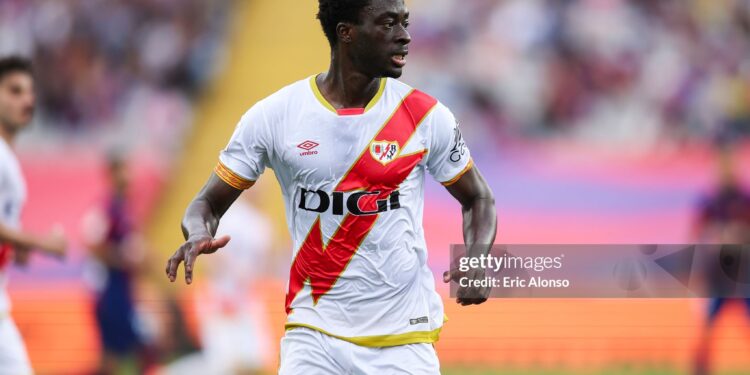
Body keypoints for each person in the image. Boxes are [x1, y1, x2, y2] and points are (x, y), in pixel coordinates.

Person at [165, 0, 497, 373]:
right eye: (388, 24)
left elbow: (478, 196)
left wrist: (477, 258)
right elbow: (206, 204)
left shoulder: (426, 116)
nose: (404, 37)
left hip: (402, 340)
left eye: (405, 23)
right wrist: (196, 231)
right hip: (313, 336)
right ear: (346, 32)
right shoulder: (276, 116)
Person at [0, 56, 67, 374]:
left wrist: (16, 248)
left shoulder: (9, 160)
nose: (27, 100)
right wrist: (42, 243)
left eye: (30, 93)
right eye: (15, 91)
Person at [83, 154, 153, 375]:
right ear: (112, 174)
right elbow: (92, 245)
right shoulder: (106, 208)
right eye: (123, 170)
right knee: (117, 350)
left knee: (126, 348)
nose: (128, 176)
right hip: (108, 289)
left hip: (123, 288)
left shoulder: (125, 208)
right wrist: (124, 258)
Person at [692, 148, 750, 375]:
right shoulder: (710, 201)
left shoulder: (744, 199)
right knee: (708, 324)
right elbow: (699, 234)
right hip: (719, 275)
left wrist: (738, 235)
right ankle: (700, 368)